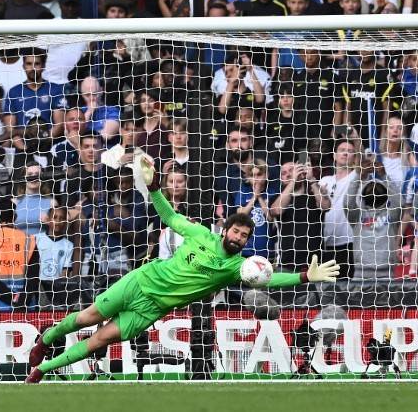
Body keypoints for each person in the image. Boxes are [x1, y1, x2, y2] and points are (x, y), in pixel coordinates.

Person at [25, 154, 340, 383]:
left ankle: (42, 370)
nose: (239, 238)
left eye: (244, 236)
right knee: (85, 318)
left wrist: (304, 276)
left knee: (99, 340)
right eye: (236, 232)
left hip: (151, 309)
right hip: (140, 281)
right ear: (225, 230)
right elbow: (167, 215)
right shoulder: (199, 232)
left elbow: (269, 279)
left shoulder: (237, 267)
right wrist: (155, 187)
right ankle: (47, 339)